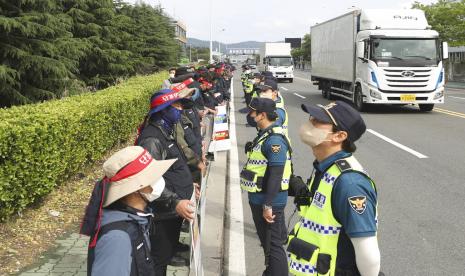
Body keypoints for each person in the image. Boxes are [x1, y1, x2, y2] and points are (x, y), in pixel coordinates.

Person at [287, 101, 380, 276]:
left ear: (339, 136)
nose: (309, 123)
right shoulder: (325, 168)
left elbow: (367, 248)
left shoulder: (350, 184)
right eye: (311, 118)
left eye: (317, 121)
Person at [84, 146, 175, 276]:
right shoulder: (117, 238)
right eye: (152, 177)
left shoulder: (137, 218)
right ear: (137, 189)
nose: (159, 180)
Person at [136, 89, 196, 275]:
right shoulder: (152, 139)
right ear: (162, 110)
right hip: (162, 214)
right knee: (158, 260)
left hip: (172, 211)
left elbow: (173, 167)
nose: (180, 110)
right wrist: (175, 201)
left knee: (166, 255)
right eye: (176, 106)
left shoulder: (166, 131)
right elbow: (149, 181)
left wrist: (189, 185)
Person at [240, 97, 292, 276]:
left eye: (253, 113)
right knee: (268, 244)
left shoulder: (274, 140)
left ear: (262, 115)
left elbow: (276, 174)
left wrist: (268, 205)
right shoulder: (265, 134)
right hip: (260, 198)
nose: (250, 116)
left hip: (269, 201)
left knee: (274, 245)